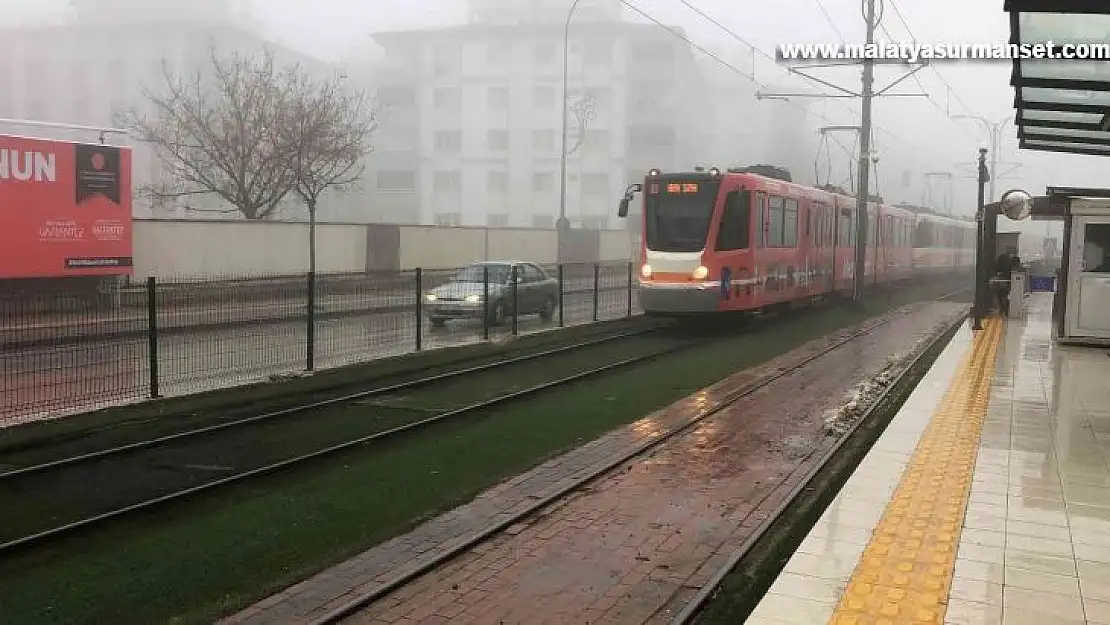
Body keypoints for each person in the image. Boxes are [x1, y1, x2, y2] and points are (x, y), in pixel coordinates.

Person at [995, 249, 1014, 316]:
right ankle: (1005, 310)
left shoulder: (1000, 257)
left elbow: (996, 267)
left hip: (1000, 279)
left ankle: (1001, 309)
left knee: (999, 294)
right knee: (1006, 295)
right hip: (1008, 279)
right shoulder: (1011, 260)